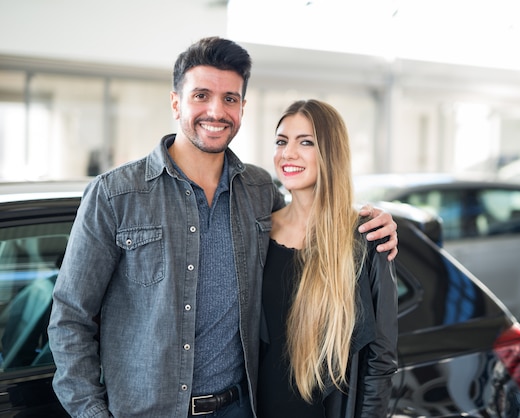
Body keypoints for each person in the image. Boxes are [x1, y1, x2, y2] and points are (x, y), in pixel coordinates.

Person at [47, 37, 398, 418]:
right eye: (201, 95)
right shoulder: (114, 196)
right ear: (176, 102)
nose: (216, 110)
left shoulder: (260, 192)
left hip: (241, 407)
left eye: (229, 98)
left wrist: (369, 220)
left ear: (242, 108)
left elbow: (313, 228)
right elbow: (70, 319)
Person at [257, 99, 398, 418]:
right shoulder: (259, 232)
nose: (288, 153)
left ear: (330, 152)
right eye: (282, 141)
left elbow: (381, 359)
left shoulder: (366, 236)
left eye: (305, 142)